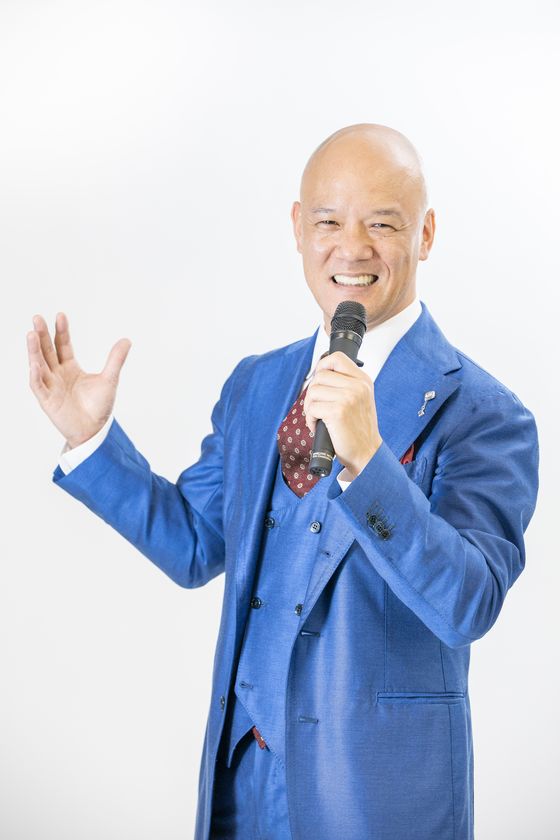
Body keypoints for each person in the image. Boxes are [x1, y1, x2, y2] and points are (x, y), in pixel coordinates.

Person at [27, 123, 539, 840]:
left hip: (375, 799)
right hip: (240, 785)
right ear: (298, 228)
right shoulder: (257, 384)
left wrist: (369, 464)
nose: (351, 248)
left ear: (425, 234)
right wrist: (91, 439)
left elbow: (467, 604)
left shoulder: (484, 413)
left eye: (383, 223)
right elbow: (195, 543)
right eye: (328, 221)